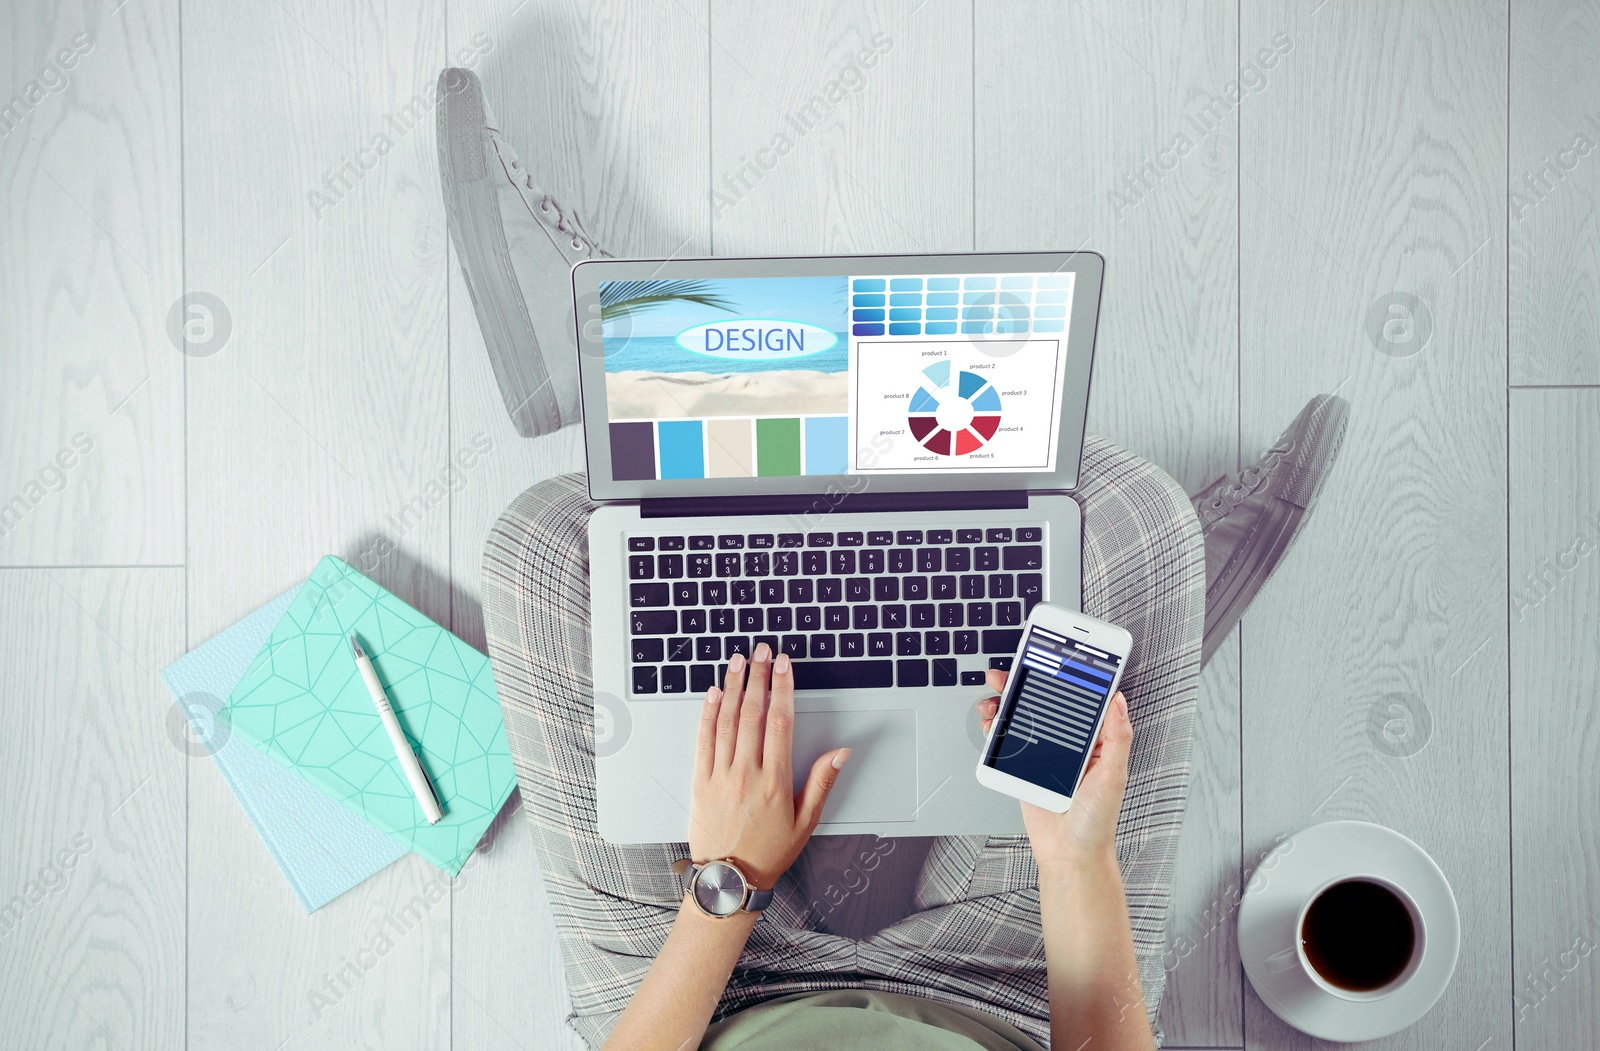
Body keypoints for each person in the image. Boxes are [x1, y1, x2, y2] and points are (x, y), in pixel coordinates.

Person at [600, 643, 1153, 1051]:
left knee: (546, 543)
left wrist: (728, 879)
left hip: (717, 999)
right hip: (1006, 997)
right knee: (1127, 526)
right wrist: (1075, 860)